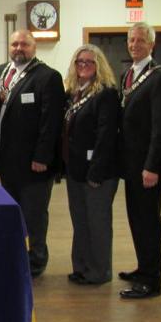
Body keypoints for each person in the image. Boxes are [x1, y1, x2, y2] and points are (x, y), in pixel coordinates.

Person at [0, 30, 65, 277]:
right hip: (8, 160)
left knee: (34, 214)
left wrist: (42, 157)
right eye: (14, 44)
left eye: (24, 44)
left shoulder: (48, 77)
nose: (18, 48)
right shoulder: (1, 72)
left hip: (34, 163)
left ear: (35, 48)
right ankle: (16, 255)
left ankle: (36, 260)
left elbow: (51, 122)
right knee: (13, 212)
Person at [117, 23, 161, 300]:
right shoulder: (128, 74)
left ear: (152, 45)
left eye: (141, 40)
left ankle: (152, 279)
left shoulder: (159, 78)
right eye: (131, 40)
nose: (135, 44)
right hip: (130, 164)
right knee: (136, 218)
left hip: (147, 166)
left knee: (149, 221)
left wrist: (152, 166)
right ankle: (143, 267)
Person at [62, 44, 120, 286]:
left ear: (99, 65)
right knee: (80, 220)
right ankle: (82, 266)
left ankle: (99, 271)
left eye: (89, 62)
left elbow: (106, 136)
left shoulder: (106, 94)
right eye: (79, 62)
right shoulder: (76, 92)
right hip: (76, 170)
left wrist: (96, 170)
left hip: (98, 172)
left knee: (97, 222)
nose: (83, 66)